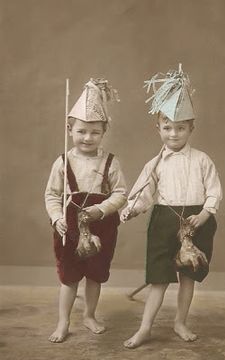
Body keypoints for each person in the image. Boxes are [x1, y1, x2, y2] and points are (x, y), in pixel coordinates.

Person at [120, 65, 222, 349]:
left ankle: (180, 321)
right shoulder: (154, 164)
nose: (173, 134)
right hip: (165, 220)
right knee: (158, 279)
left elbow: (214, 192)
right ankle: (145, 328)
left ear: (191, 128)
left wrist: (203, 215)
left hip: (196, 219)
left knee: (187, 275)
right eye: (167, 127)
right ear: (158, 128)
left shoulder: (202, 160)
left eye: (180, 128)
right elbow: (143, 194)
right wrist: (133, 209)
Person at [45, 78, 127, 343]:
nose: (87, 137)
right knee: (69, 277)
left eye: (94, 132)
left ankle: (89, 315)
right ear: (70, 129)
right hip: (69, 227)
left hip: (101, 227)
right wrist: (57, 217)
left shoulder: (110, 162)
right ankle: (63, 321)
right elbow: (52, 195)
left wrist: (102, 210)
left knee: (95, 274)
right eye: (81, 131)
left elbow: (121, 194)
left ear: (104, 132)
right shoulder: (62, 162)